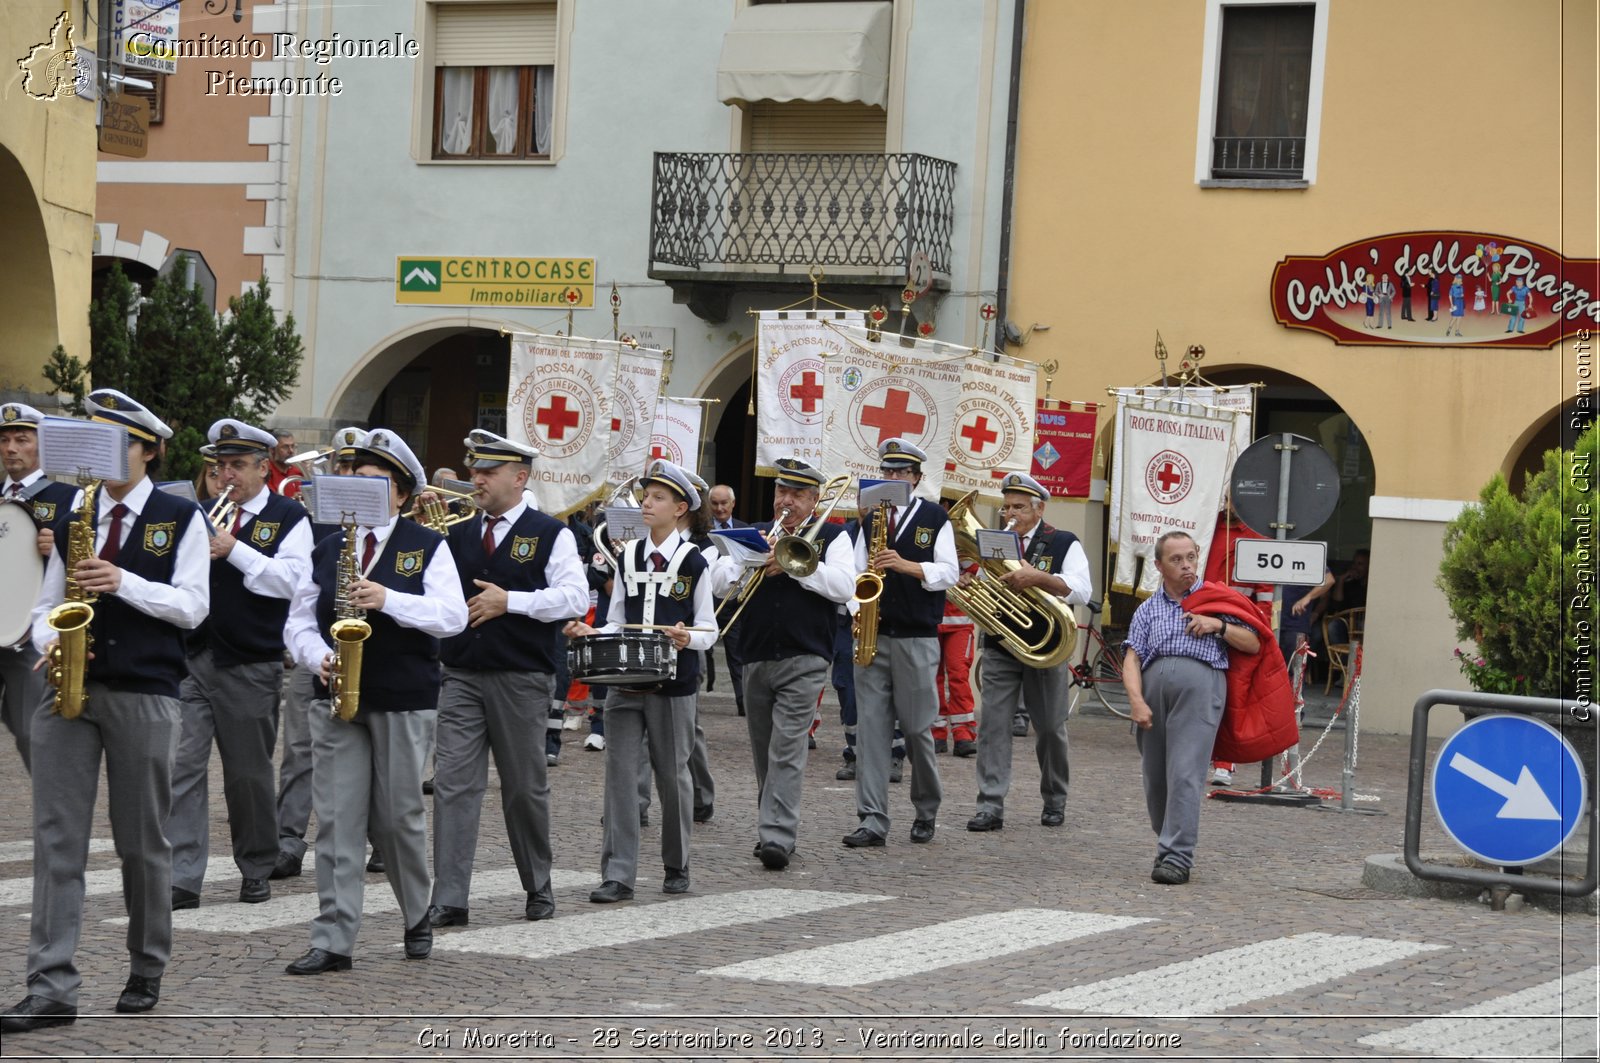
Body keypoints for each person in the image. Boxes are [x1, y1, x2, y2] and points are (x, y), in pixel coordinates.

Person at [3, 389, 209, 1031]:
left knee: (142, 839)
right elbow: (42, 606)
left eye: (117, 442)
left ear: (148, 450)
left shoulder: (181, 517)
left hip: (145, 692)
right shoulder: (73, 513)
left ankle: (147, 965)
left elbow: (193, 606)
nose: (103, 454)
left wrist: (125, 582)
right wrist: (48, 640)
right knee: (56, 839)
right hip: (69, 689)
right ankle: (50, 985)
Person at [281, 429, 467, 975]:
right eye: (354, 480)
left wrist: (388, 599)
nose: (361, 490)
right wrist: (317, 658)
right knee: (336, 818)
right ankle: (334, 937)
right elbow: (297, 621)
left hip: (403, 696)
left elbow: (451, 617)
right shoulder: (327, 547)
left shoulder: (426, 546)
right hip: (336, 693)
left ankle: (416, 915)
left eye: (376, 483)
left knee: (398, 816)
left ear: (402, 495)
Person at [427, 430, 587, 929]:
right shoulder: (456, 532)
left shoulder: (550, 532)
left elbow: (574, 599)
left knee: (523, 787)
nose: (476, 479)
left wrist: (510, 602)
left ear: (519, 478)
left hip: (520, 678)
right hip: (461, 674)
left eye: (488, 472)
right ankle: (449, 897)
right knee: (453, 785)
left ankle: (538, 884)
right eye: (474, 470)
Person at [169, 419, 313, 911]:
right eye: (220, 466)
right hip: (195, 655)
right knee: (181, 768)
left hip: (250, 661)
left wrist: (236, 551)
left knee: (247, 774)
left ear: (262, 468)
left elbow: (292, 581)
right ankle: (182, 876)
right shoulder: (202, 513)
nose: (226, 475)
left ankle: (255, 865)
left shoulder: (287, 515)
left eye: (237, 465)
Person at [564, 459, 715, 903]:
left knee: (672, 776)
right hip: (624, 680)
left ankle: (676, 862)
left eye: (658, 498)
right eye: (646, 496)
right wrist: (590, 633)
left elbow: (710, 628)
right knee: (620, 777)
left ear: (681, 507)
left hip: (674, 683)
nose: (646, 503)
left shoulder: (695, 560)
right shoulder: (627, 555)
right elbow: (615, 622)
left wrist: (689, 636)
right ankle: (618, 873)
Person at [709, 458, 853, 869]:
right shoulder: (752, 533)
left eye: (795, 494)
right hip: (755, 654)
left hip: (805, 656)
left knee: (788, 748)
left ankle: (777, 836)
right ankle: (769, 823)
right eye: (780, 492)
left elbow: (844, 587)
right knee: (763, 751)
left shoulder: (834, 536)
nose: (785, 501)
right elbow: (720, 584)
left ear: (814, 499)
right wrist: (750, 558)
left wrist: (795, 567)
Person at [1122, 531, 1262, 886]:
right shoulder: (1147, 609)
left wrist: (1219, 626)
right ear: (1159, 566)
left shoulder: (1215, 599)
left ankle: (1177, 855)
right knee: (1155, 777)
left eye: (1191, 557)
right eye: (1176, 560)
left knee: (1185, 772)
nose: (1186, 566)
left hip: (1201, 687)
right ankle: (1167, 839)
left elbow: (1254, 641)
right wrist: (1136, 700)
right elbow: (1132, 657)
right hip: (1154, 690)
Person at [843, 438, 958, 849]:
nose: (892, 478)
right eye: (887, 471)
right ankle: (872, 818)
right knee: (871, 732)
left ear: (916, 478)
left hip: (915, 637)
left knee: (916, 729)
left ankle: (926, 808)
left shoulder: (934, 518)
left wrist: (906, 565)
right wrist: (857, 610)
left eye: (900, 473)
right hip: (874, 633)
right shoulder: (869, 517)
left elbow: (950, 573)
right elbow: (854, 575)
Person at [966, 473, 1092, 832]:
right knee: (992, 726)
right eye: (1006, 506)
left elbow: (1081, 590)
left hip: (1047, 646)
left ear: (1039, 509)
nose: (1010, 513)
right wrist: (968, 581)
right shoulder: (994, 541)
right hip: (1001, 642)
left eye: (1019, 507)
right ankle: (990, 804)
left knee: (1051, 727)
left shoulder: (1063, 541)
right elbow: (981, 582)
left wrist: (1039, 577)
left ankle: (1055, 799)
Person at [272, 426, 363, 881]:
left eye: (353, 468)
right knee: (298, 751)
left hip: (369, 661)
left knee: (374, 753)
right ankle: (287, 840)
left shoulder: (389, 529)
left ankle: (380, 839)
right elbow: (300, 600)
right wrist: (310, 650)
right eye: (340, 466)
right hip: (319, 655)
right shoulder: (313, 521)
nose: (344, 475)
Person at [0, 402, 78, 772]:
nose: (11, 448)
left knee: (31, 731)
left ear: (42, 445)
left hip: (30, 632)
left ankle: (54, 815)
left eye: (21, 439)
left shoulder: (69, 498)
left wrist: (58, 545)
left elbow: (84, 566)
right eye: (4, 440)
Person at [707, 483, 749, 716]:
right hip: (706, 599)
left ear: (733, 503)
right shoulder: (700, 530)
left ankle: (743, 702)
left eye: (724, 503)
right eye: (715, 503)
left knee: (736, 652)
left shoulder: (744, 529)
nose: (720, 508)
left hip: (733, 602)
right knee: (702, 651)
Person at [932, 597, 977, 757]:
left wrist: (972, 573)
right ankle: (935, 732)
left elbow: (981, 571)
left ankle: (963, 734)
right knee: (931, 677)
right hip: (928, 617)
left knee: (959, 675)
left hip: (960, 618)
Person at [265, 430, 303, 499]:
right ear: (272, 450)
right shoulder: (265, 473)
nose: (291, 451)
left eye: (293, 446)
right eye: (285, 447)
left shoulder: (297, 472)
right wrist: (292, 500)